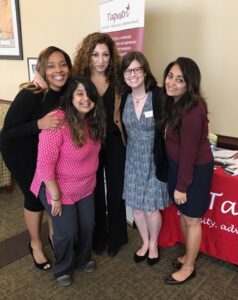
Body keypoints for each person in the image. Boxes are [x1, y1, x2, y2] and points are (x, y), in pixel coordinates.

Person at [34, 32, 128, 257]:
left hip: (114, 142)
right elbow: (54, 82)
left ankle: (116, 238)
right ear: (88, 56)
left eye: (106, 54)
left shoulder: (118, 79)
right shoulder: (77, 79)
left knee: (116, 191)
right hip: (89, 142)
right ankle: (96, 239)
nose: (101, 60)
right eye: (96, 54)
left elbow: (143, 83)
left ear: (111, 56)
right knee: (92, 192)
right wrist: (38, 78)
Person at [0, 46, 72, 270]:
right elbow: (7, 134)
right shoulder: (31, 94)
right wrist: (38, 124)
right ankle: (35, 244)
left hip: (46, 151)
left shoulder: (67, 89)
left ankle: (53, 235)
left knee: (50, 194)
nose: (58, 70)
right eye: (51, 66)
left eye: (62, 64)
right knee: (34, 197)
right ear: (42, 69)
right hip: (19, 151)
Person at [30, 76, 106, 286]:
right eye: (80, 93)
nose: (85, 99)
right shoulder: (58, 121)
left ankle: (83, 259)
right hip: (56, 187)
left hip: (85, 186)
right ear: (70, 96)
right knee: (68, 232)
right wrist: (55, 196)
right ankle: (63, 267)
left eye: (89, 94)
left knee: (89, 225)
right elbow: (44, 165)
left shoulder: (93, 120)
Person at [158, 57, 214, 284]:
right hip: (178, 166)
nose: (171, 82)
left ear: (189, 84)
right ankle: (187, 256)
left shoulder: (191, 111)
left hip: (194, 170)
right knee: (185, 214)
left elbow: (189, 153)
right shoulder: (176, 102)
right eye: (170, 76)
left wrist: (182, 186)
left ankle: (189, 267)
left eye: (179, 79)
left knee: (192, 220)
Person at [117, 51, 170, 265]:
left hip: (153, 157)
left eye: (137, 69)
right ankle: (145, 242)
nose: (133, 74)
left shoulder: (157, 96)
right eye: (128, 70)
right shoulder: (123, 99)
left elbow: (172, 123)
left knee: (150, 208)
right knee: (136, 207)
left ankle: (155, 243)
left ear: (144, 71)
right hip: (132, 159)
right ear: (123, 75)